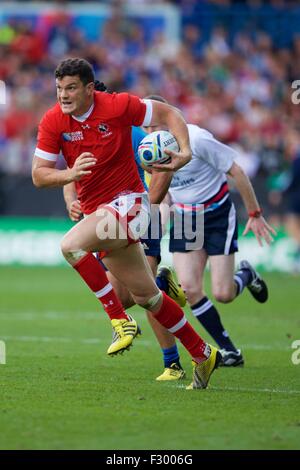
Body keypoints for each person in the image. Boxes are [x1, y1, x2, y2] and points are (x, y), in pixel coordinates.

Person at [31, 57, 221, 390]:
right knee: (149, 297)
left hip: (131, 204)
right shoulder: (53, 121)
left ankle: (119, 320)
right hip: (100, 215)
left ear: (90, 89)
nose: (63, 95)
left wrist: (185, 150)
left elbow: (169, 114)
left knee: (70, 246)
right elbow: (38, 174)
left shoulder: (118, 106)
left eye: (71, 87)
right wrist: (69, 175)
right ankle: (203, 352)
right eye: (60, 88)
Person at [143, 95, 276, 367]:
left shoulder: (197, 139)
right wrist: (160, 217)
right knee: (190, 289)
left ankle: (246, 274)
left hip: (216, 215)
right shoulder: (150, 152)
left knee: (223, 294)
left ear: (169, 120)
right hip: (185, 219)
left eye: (155, 126)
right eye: (146, 128)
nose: (150, 133)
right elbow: (164, 193)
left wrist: (255, 213)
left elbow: (236, 171)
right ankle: (230, 351)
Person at [63, 105, 186, 381]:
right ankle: (161, 286)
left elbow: (162, 171)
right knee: (124, 298)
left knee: (146, 297)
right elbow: (70, 175)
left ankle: (173, 364)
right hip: (106, 223)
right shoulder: (81, 136)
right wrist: (72, 202)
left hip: (136, 218)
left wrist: (145, 210)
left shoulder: (129, 134)